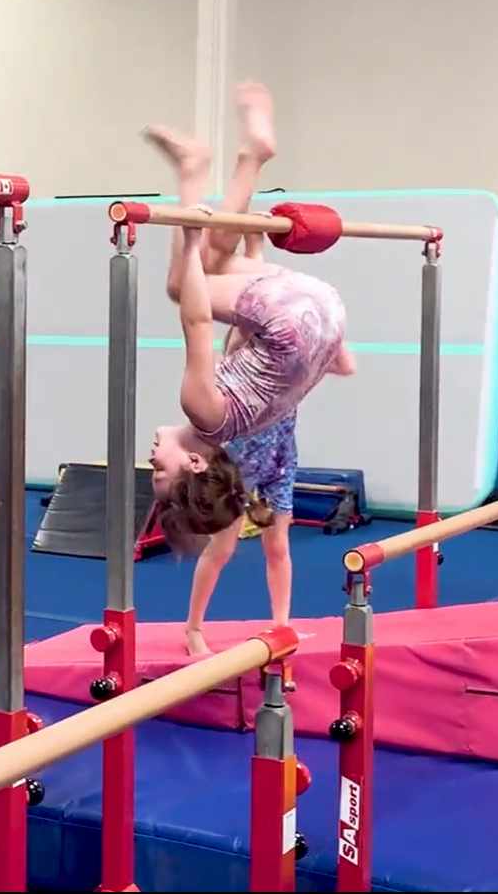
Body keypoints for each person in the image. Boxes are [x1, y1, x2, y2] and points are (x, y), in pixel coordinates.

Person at [142, 83, 354, 657]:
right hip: (294, 315)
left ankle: (221, 163)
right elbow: (196, 325)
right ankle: (225, 163)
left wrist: (237, 250)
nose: (150, 458)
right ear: (190, 461)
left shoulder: (229, 428)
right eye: (157, 469)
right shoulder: (202, 412)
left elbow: (258, 354)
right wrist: (186, 239)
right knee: (180, 278)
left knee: (213, 256)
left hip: (322, 314)